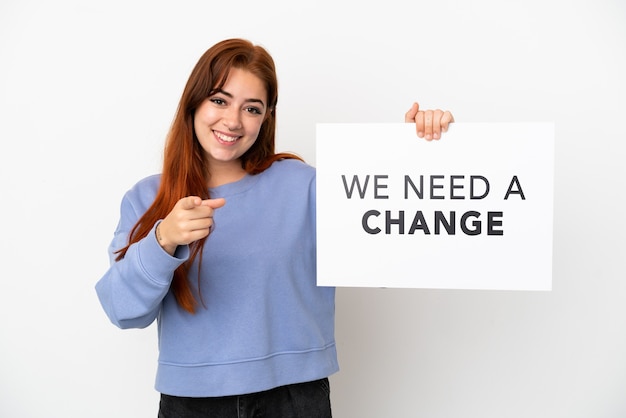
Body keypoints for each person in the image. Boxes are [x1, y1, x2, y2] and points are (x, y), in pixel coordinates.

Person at [95, 38, 454, 418]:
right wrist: (163, 240)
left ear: (266, 117)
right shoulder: (148, 198)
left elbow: (388, 256)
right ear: (194, 102)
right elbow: (123, 311)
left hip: (293, 399)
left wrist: (418, 154)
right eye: (219, 100)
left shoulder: (305, 186)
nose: (232, 121)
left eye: (251, 108)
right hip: (191, 404)